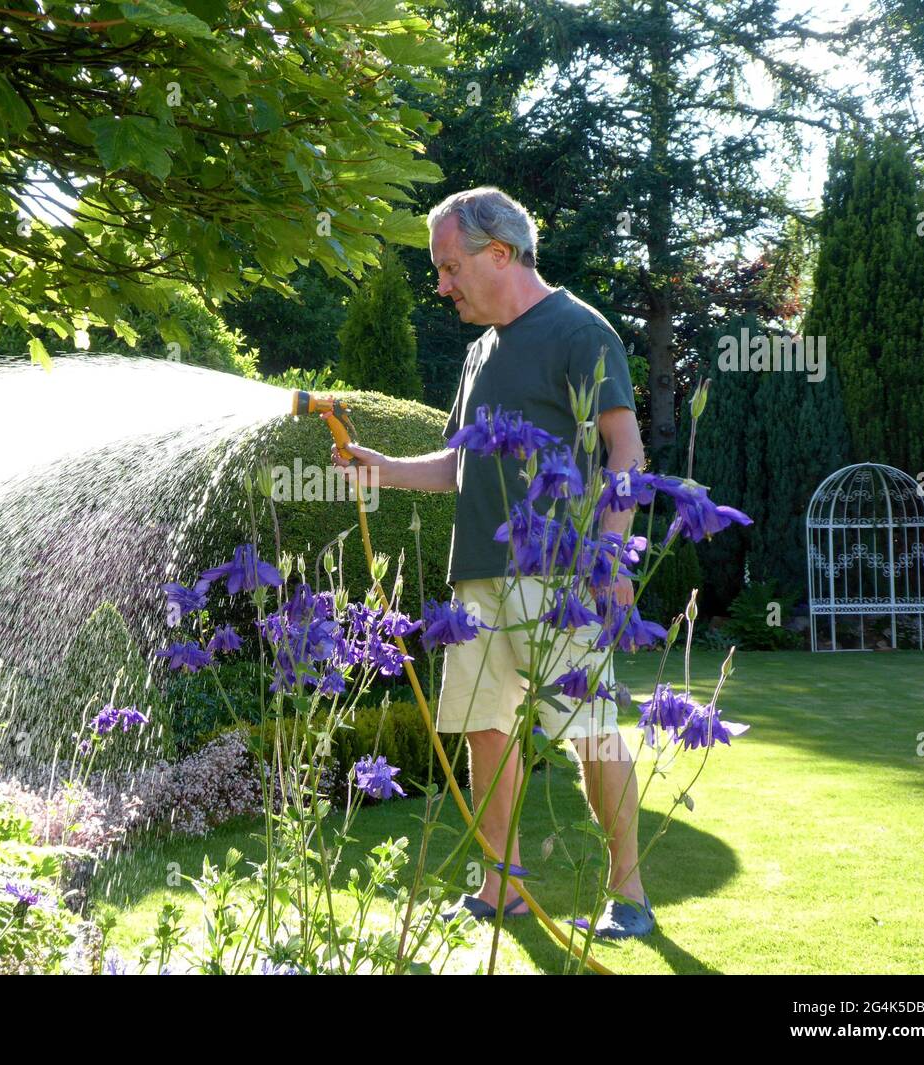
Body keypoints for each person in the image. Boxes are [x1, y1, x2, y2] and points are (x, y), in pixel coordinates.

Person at [329, 187, 654, 938]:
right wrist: (382, 467)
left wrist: (610, 549)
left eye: (450, 268)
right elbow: (459, 464)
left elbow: (625, 450)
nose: (441, 286)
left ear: (500, 254)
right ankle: (498, 887)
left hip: (558, 576)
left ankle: (628, 893)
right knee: (483, 728)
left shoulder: (581, 331)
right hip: (473, 571)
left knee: (591, 729)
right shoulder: (479, 351)